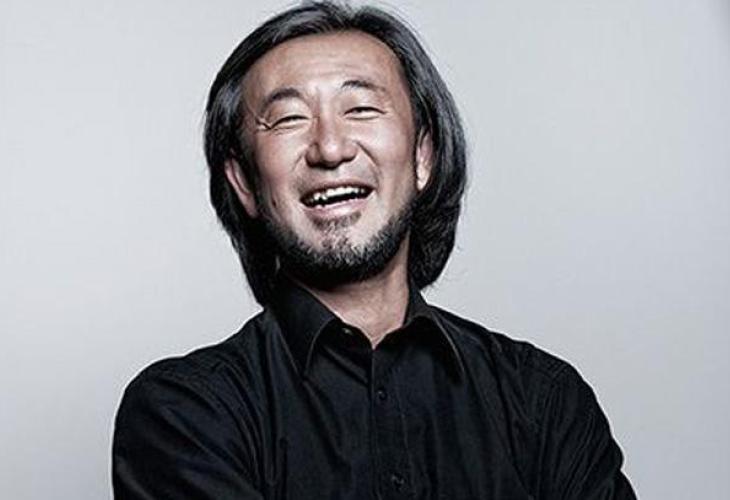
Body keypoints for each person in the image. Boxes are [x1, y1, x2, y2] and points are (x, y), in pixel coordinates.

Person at [112, 2, 637, 499]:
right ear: (244, 182)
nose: (330, 148)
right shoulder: (185, 412)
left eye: (361, 108)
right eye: (289, 118)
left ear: (423, 157)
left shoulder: (544, 401)